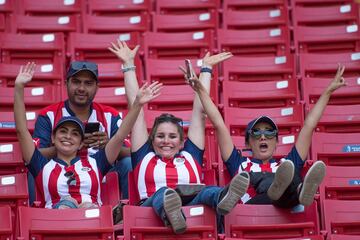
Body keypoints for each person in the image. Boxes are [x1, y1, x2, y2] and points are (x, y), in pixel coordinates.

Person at [109, 40, 250, 234]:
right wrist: (128, 65)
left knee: (208, 192)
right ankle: (173, 214)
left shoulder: (190, 156)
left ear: (182, 141)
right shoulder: (144, 156)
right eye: (160, 136)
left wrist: (206, 70)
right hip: (151, 209)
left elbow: (200, 113)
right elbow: (136, 109)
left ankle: (224, 198)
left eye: (172, 136)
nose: (166, 140)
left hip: (192, 204)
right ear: (151, 140)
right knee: (165, 194)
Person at [186, 63, 346, 208]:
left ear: (276, 142)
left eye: (269, 133)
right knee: (268, 178)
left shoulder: (286, 165)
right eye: (256, 133)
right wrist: (200, 89)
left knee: (290, 175)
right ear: (248, 144)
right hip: (251, 210)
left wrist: (328, 92)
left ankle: (299, 191)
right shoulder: (238, 163)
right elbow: (218, 123)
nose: (263, 137)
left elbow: (309, 126)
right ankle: (292, 190)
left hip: (281, 208)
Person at [14, 62, 161, 209]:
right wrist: (19, 88)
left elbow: (121, 137)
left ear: (80, 142)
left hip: (92, 210)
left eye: (75, 133)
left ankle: (122, 212)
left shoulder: (95, 162)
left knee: (88, 205)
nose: (68, 136)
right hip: (57, 215)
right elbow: (22, 131)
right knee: (65, 204)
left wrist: (137, 105)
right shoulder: (44, 164)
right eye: (63, 131)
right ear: (53, 138)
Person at [31, 60, 132, 200]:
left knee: (128, 163)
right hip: (62, 173)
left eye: (88, 83)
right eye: (76, 82)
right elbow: (35, 154)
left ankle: (127, 211)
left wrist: (109, 145)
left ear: (97, 87)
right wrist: (71, 147)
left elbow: (131, 152)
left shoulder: (110, 115)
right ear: (66, 83)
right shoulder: (48, 115)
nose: (81, 88)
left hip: (102, 170)